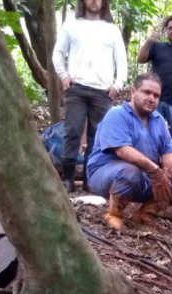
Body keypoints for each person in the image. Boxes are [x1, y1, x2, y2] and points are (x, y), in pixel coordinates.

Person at [86, 73, 172, 229]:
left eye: (156, 95)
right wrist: (156, 172)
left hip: (143, 177)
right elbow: (122, 151)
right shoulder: (117, 114)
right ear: (133, 92)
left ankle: (144, 214)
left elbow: (168, 151)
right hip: (105, 175)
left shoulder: (158, 120)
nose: (152, 98)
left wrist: (166, 178)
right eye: (147, 92)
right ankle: (113, 214)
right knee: (130, 171)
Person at [52, 0, 128, 193]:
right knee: (72, 132)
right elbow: (58, 53)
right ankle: (68, 179)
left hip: (102, 92)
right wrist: (64, 76)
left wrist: (117, 85)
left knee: (98, 137)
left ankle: (89, 179)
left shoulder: (112, 30)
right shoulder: (71, 25)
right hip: (76, 88)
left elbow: (121, 60)